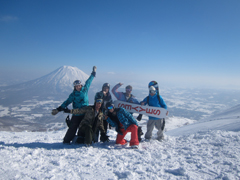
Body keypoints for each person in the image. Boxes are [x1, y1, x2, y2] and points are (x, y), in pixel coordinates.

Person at [51, 66, 97, 144]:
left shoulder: (85, 90)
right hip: (76, 113)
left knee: (85, 126)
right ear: (74, 87)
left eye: (78, 85)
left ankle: (85, 139)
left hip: (85, 113)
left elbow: (89, 81)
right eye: (76, 86)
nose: (77, 87)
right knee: (73, 127)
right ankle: (67, 140)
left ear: (81, 85)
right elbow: (67, 102)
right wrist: (58, 109)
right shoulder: (73, 95)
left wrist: (93, 73)